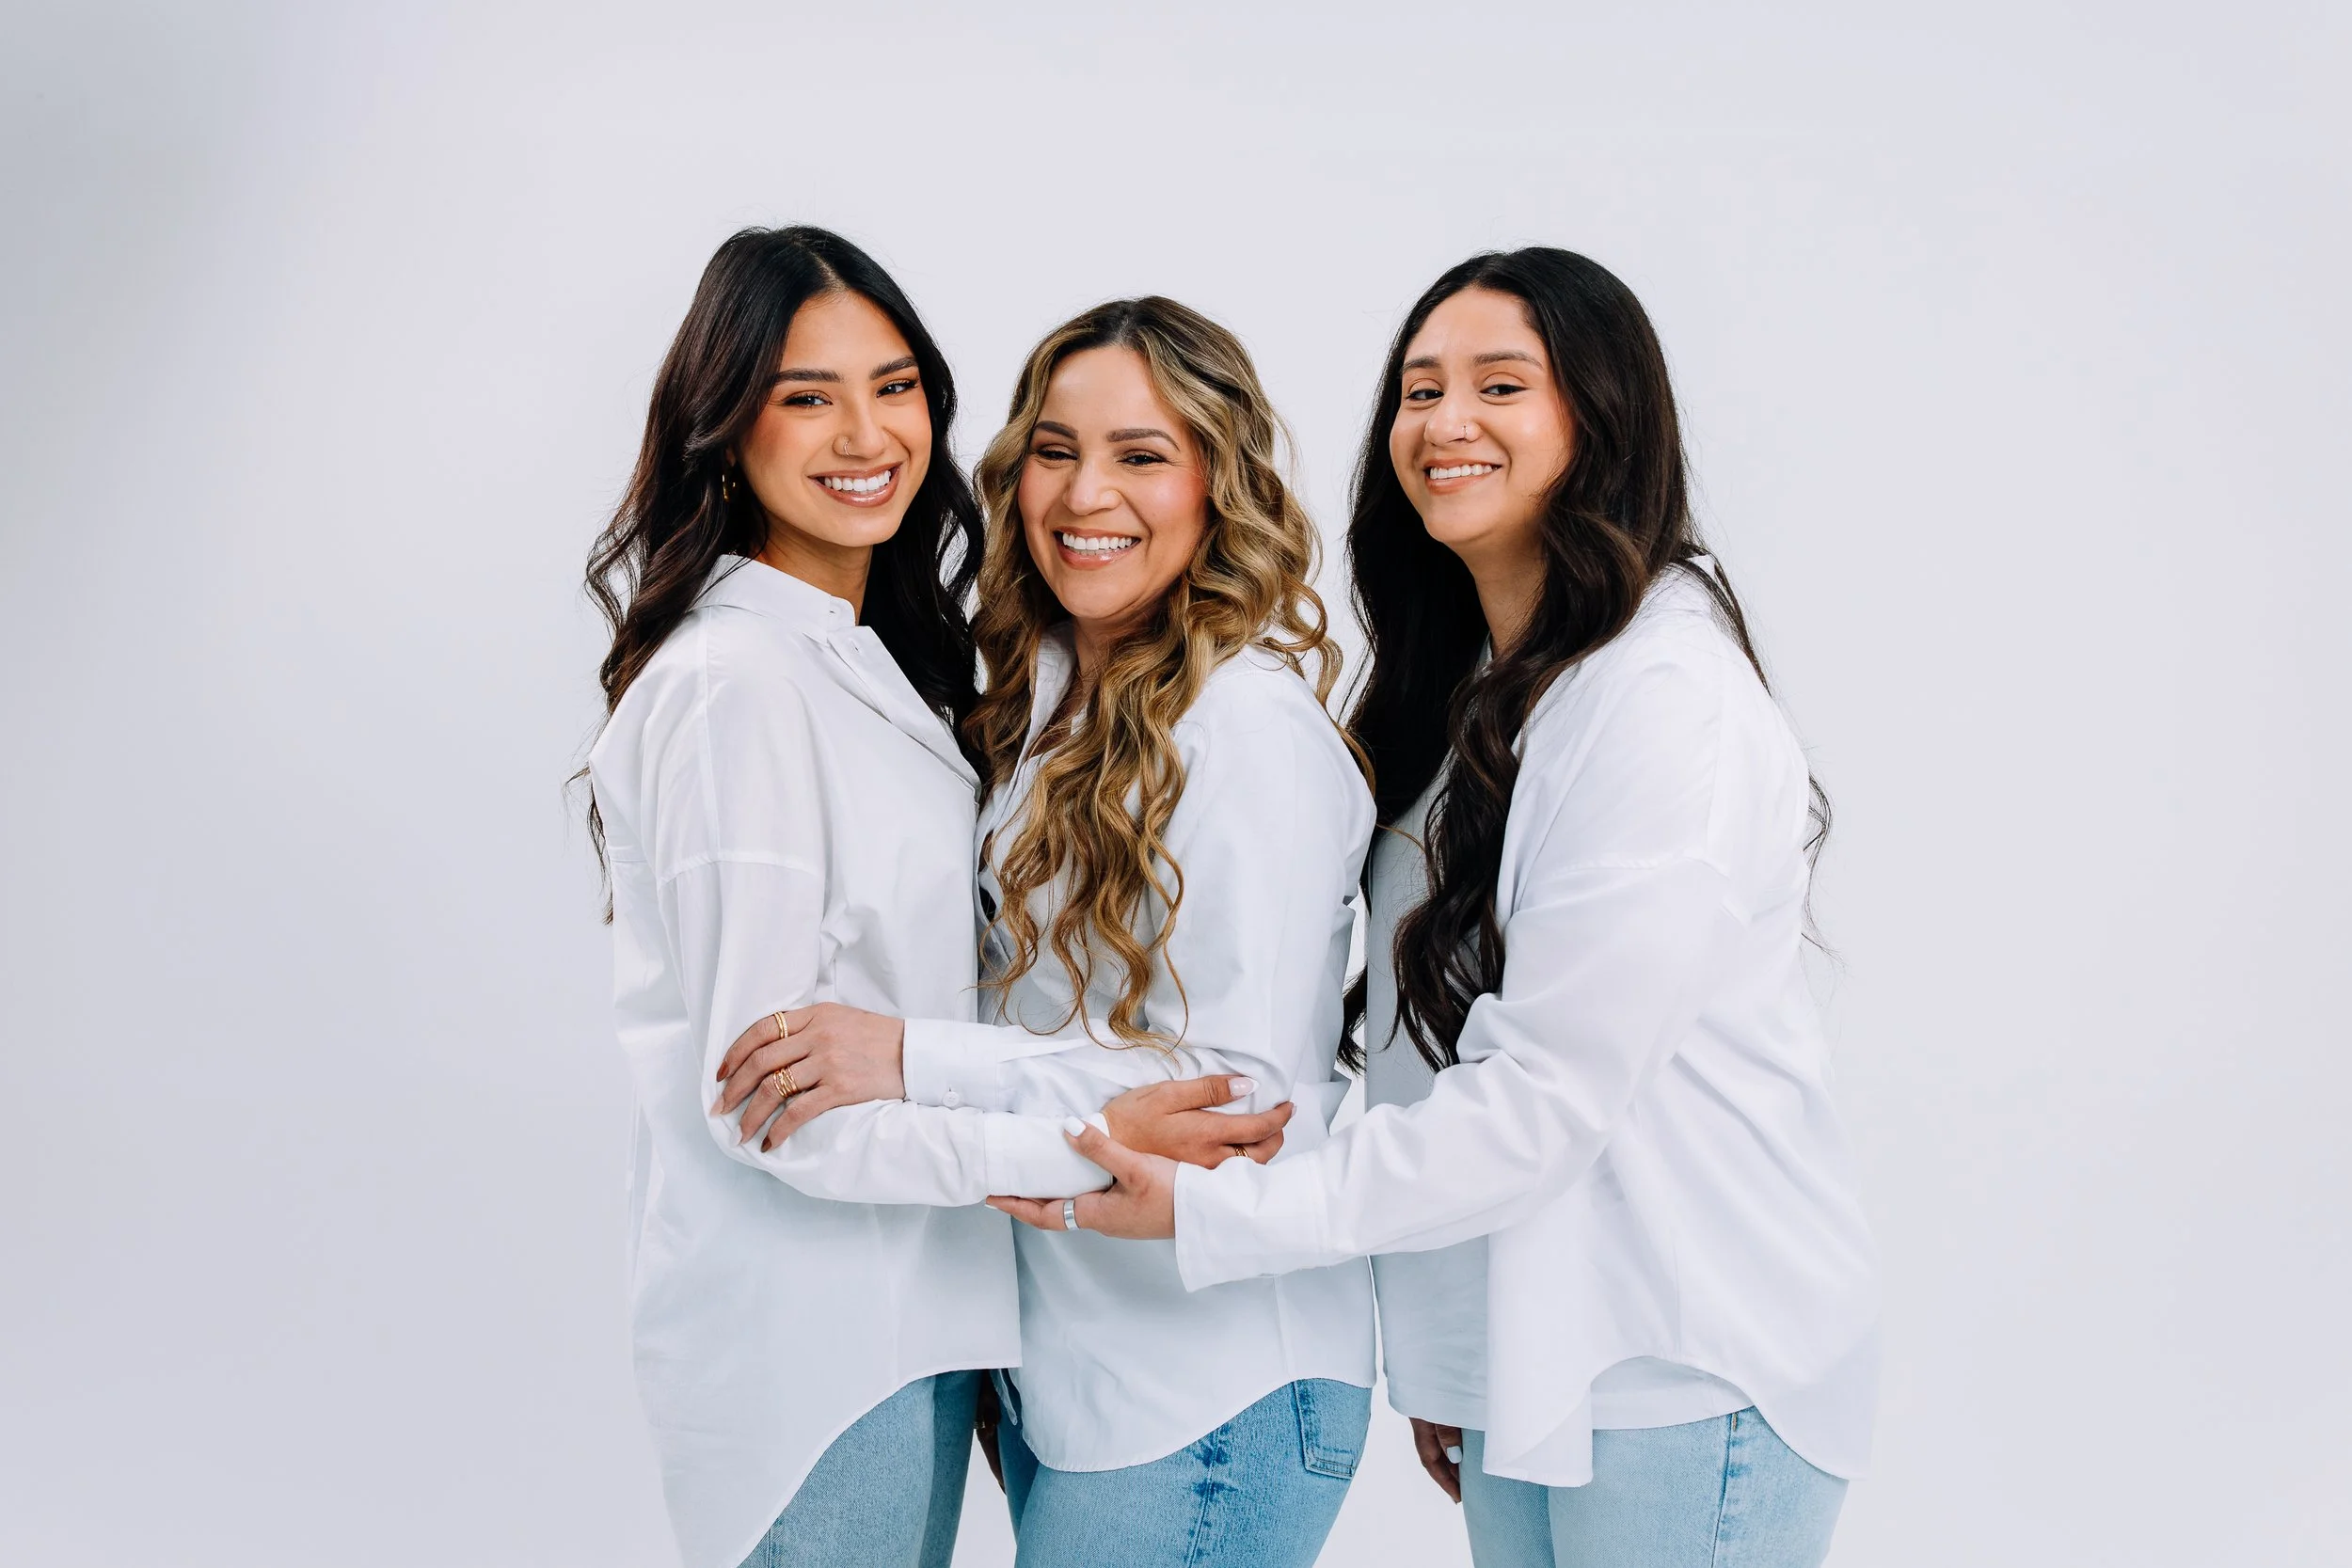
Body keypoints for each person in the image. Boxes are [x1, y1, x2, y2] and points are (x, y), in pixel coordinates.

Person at [994, 250, 1882, 1568]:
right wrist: (1463, 1348)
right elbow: (1427, 1061)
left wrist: (1214, 1212)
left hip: (1690, 1373)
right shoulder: (1478, 694)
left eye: (1500, 385)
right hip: (1548, 1367)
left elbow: (1543, 1099)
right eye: (1419, 388)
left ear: (1603, 421)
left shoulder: (1663, 702)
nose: (1445, 421)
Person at [582, 230, 1288, 1568]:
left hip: (909, 1341)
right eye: (806, 395)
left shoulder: (861, 665)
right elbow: (769, 1112)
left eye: (895, 385)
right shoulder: (741, 684)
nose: (866, 432)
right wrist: (1084, 1147)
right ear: (723, 427)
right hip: (817, 1358)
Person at [718, 296, 1377, 1568]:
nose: (1088, 495)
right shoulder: (1043, 702)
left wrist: (903, 1058)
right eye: (1056, 451)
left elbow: (1233, 1097)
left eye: (1142, 454)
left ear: (1217, 485)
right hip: (1069, 1377)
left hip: (1208, 1390)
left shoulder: (1250, 731)